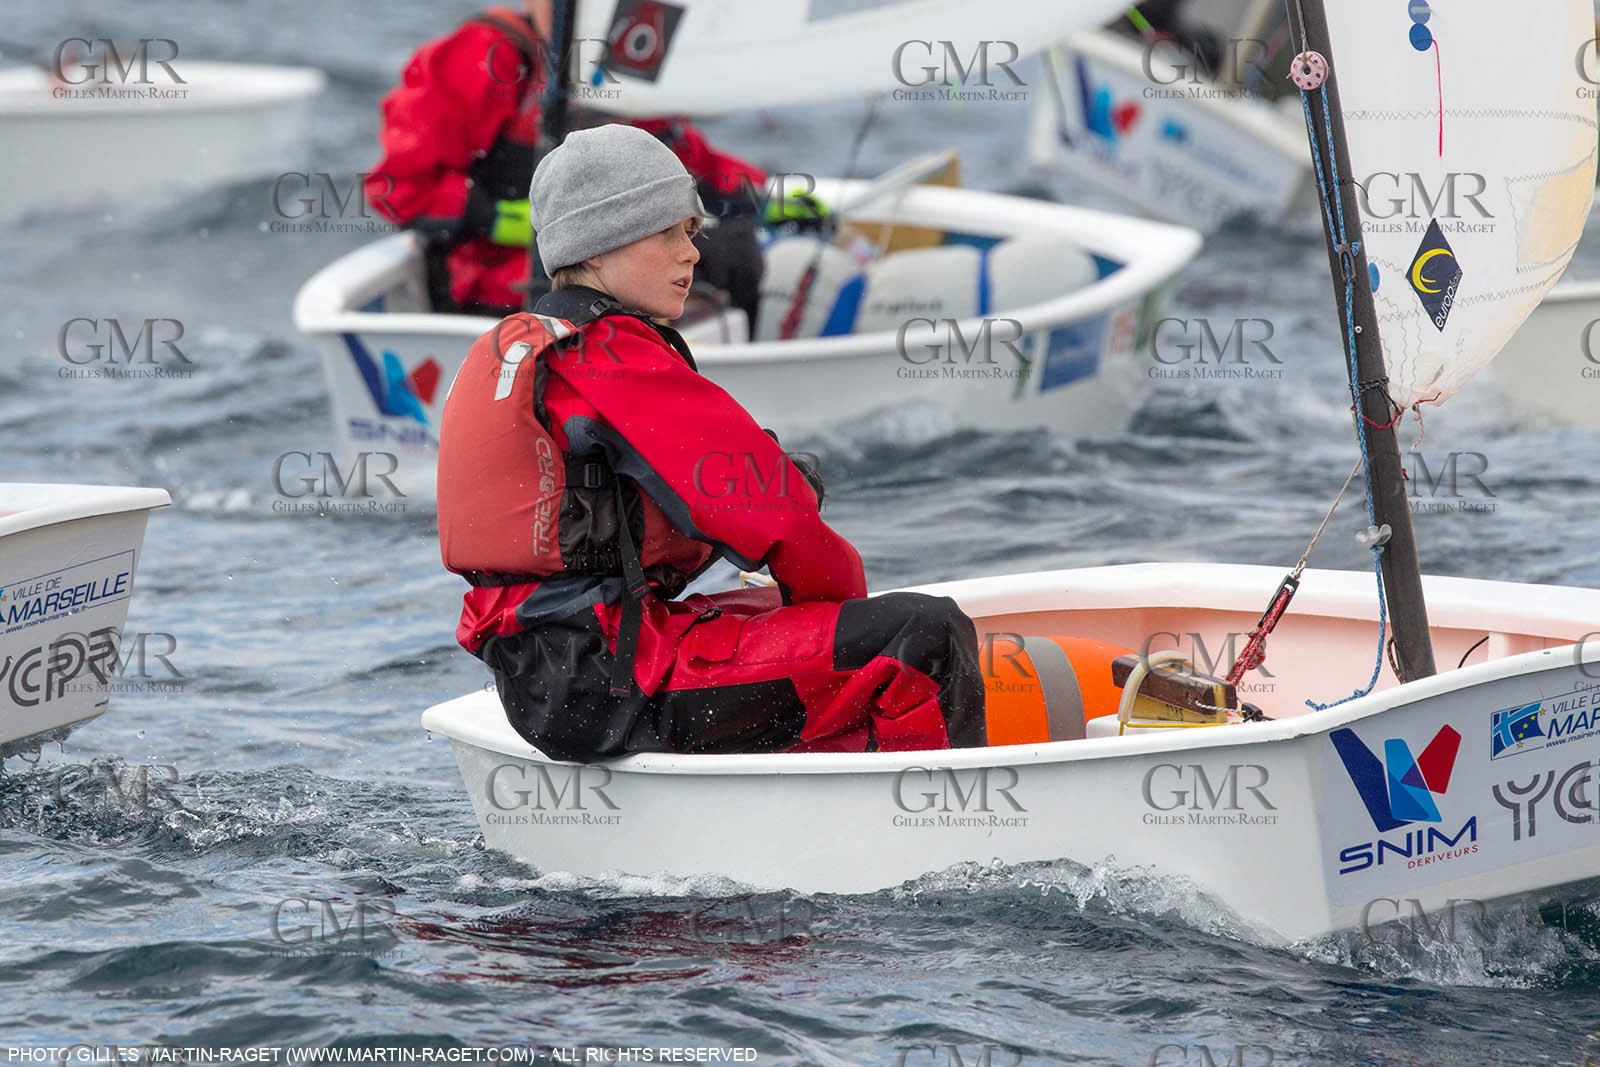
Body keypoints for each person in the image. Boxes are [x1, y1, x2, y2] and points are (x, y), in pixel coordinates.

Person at [435, 124, 986, 762]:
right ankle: (935, 829)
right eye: (667, 233)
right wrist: (844, 617)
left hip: (549, 678)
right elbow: (776, 516)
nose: (691, 253)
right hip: (615, 677)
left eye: (691, 233)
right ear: (598, 245)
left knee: (777, 608)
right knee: (922, 635)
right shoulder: (607, 352)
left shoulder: (519, 345)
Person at [365, 1, 776, 321]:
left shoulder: (628, 54)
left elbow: (690, 163)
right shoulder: (488, 53)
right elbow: (399, 187)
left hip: (617, 289)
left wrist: (769, 198)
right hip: (497, 296)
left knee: (733, 247)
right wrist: (511, 223)